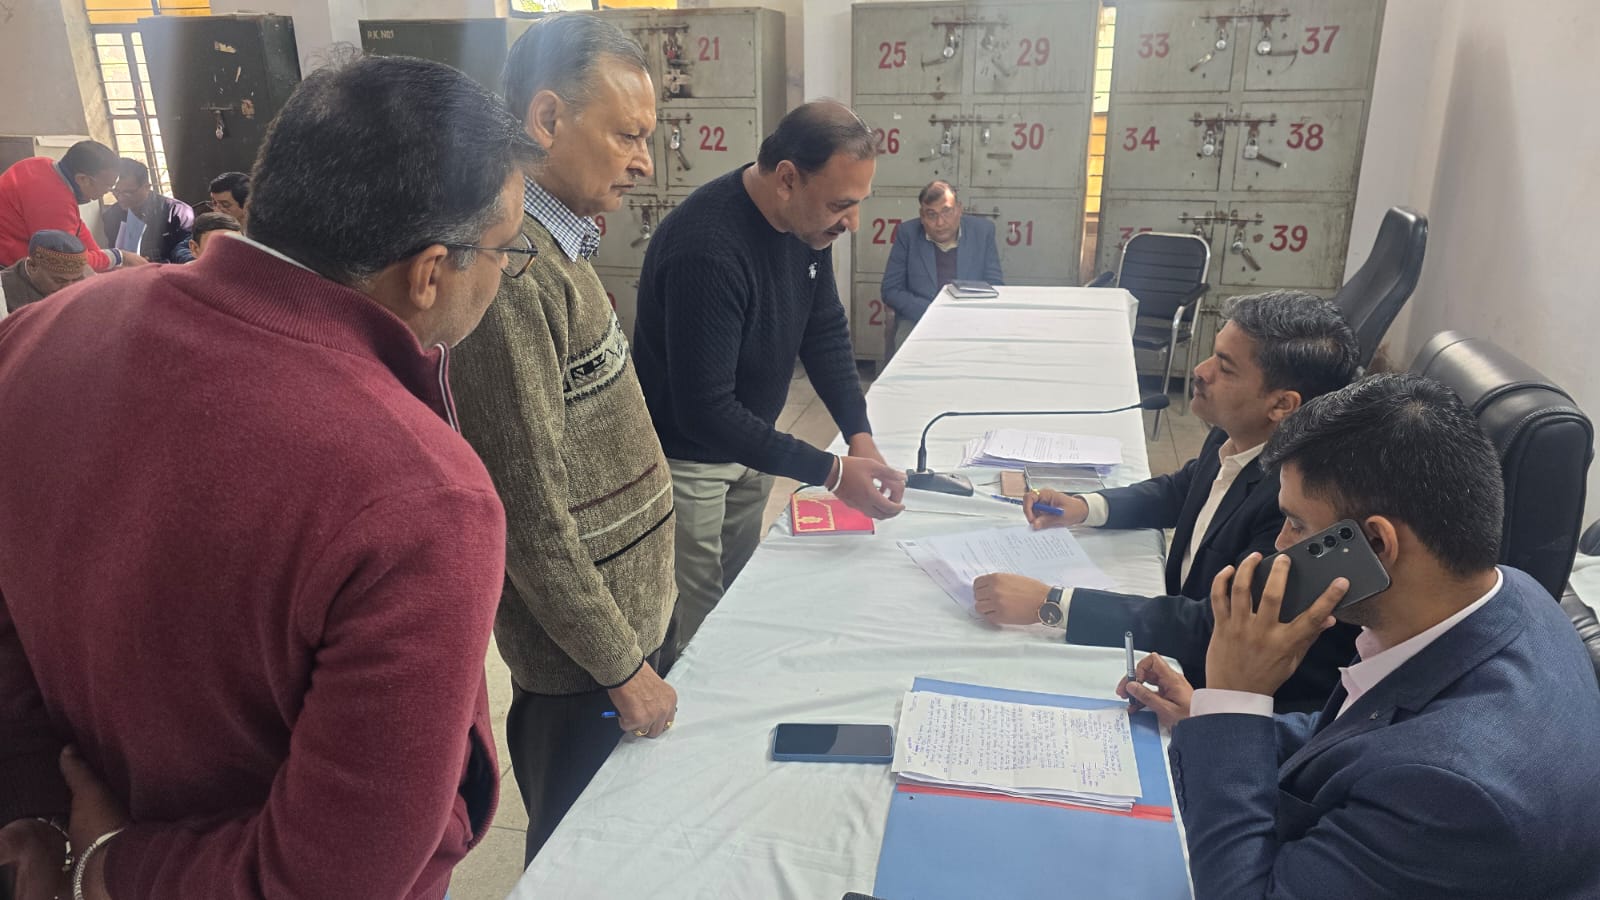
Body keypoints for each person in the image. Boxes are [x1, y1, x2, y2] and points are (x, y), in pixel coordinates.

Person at [0, 56, 541, 900]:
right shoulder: (422, 495)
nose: (507, 273)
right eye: (508, 251)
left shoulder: (39, 335)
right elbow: (333, 875)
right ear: (432, 270)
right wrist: (107, 867)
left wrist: (35, 811)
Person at [1118, 374, 1600, 898]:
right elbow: (1358, 730)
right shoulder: (1514, 593)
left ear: (1375, 542)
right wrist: (1211, 716)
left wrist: (1235, 698)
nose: (1281, 544)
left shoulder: (1450, 791)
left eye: (1297, 524)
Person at [449, 15, 675, 866]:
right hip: (585, 670)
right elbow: (528, 511)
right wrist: (621, 666)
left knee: (628, 846)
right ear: (547, 120)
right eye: (627, 136)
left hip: (622, 636)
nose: (645, 162)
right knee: (580, 860)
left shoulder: (561, 245)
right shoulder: (512, 274)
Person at [973, 292, 1360, 709]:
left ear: (1281, 405)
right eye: (1212, 354)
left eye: (1225, 367)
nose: (1201, 371)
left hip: (1243, 700)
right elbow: (1182, 488)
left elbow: (1213, 625)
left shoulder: (1299, 505)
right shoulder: (1239, 429)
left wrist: (1054, 604)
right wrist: (1085, 507)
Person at [633, 100, 907, 649]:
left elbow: (823, 331)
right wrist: (831, 472)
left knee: (739, 594)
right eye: (840, 205)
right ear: (787, 179)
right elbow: (704, 410)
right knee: (700, 621)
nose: (852, 223)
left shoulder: (806, 228)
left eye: (858, 204)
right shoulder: (708, 248)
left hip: (751, 445)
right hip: (689, 462)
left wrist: (858, 433)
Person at [881, 180, 1003, 351]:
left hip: (970, 317)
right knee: (909, 357)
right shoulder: (907, 234)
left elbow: (995, 285)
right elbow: (891, 290)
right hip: (919, 317)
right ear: (922, 216)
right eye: (931, 214)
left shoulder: (982, 232)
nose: (940, 222)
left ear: (959, 209)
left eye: (946, 211)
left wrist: (965, 314)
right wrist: (931, 311)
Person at [0, 140, 146, 270]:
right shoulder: (53, 201)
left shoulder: (44, 165)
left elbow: (75, 227)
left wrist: (106, 259)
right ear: (83, 179)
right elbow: (69, 262)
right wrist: (119, 256)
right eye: (108, 186)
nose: (106, 192)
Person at [103, 158, 195, 264]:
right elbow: (116, 252)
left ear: (147, 187)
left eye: (128, 192)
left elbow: (187, 250)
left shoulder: (177, 212)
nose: (121, 197)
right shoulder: (111, 216)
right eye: (116, 191)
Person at [1, 230, 87, 313]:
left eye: (75, 279)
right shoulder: (3, 294)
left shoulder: (86, 280)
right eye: (59, 280)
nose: (68, 288)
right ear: (32, 266)